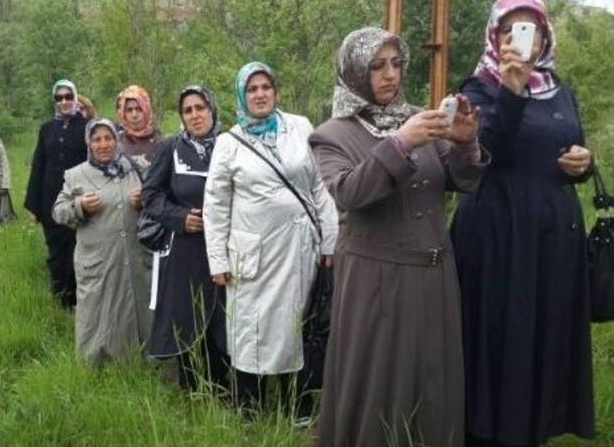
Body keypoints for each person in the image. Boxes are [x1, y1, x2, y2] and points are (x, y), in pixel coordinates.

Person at [309, 27, 487, 447]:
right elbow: (351, 193)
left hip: (434, 279)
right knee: (377, 382)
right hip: (377, 284)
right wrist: (401, 142)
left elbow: (461, 181)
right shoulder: (331, 135)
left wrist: (466, 144)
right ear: (354, 73)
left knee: (431, 380)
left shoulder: (420, 121)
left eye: (396, 64)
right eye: (377, 66)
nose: (390, 74)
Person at [450, 0, 594, 447]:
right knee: (499, 336)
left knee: (544, 336)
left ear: (544, 35)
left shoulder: (559, 89)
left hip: (552, 239)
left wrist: (585, 164)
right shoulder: (478, 89)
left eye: (529, 27)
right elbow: (483, 151)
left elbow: (572, 143)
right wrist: (511, 90)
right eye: (509, 28)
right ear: (495, 34)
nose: (519, 37)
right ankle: (487, 434)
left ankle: (535, 429)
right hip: (499, 236)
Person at [203, 62, 338, 417]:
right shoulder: (229, 143)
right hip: (253, 258)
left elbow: (319, 186)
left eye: (266, 87)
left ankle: (300, 405)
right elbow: (215, 206)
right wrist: (217, 260)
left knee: (299, 328)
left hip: (299, 251)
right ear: (242, 95)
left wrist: (329, 239)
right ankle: (251, 408)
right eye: (252, 89)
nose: (260, 94)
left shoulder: (300, 127)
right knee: (253, 331)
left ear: (275, 91)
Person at [143, 85, 229, 393]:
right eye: (188, 110)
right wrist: (179, 218)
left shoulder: (230, 145)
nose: (195, 115)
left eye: (200, 107)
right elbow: (150, 195)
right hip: (186, 250)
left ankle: (225, 389)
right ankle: (193, 389)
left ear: (212, 108)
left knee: (222, 319)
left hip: (225, 249)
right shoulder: (170, 148)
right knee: (188, 317)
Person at [52, 118, 152, 366]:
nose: (103, 144)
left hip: (136, 258)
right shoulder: (77, 175)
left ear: (117, 141)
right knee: (97, 315)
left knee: (139, 309)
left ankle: (141, 362)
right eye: (97, 139)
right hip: (97, 262)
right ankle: (95, 368)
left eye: (108, 138)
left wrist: (144, 202)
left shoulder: (136, 168)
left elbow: (158, 200)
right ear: (89, 143)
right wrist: (80, 206)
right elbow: (58, 211)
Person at [25, 79, 88, 309]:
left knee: (77, 248)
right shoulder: (46, 129)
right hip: (49, 199)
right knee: (55, 251)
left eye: (68, 96)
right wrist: (33, 206)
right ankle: (59, 297)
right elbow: (38, 165)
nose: (64, 101)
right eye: (59, 97)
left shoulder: (86, 127)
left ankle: (77, 298)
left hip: (78, 198)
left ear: (75, 97)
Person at [116, 85, 163, 171]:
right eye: (129, 110)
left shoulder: (161, 142)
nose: (134, 115)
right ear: (123, 113)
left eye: (139, 109)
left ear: (146, 110)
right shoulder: (116, 142)